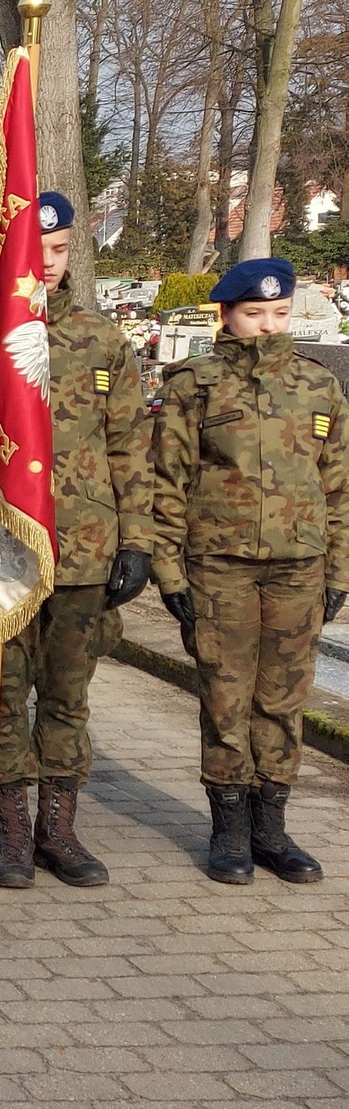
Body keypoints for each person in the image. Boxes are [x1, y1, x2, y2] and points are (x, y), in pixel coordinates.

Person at [0, 193, 153, 887]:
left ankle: (56, 828)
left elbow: (129, 446)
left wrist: (137, 542)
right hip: (2, 551)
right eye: (37, 251)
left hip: (84, 550)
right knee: (3, 694)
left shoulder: (103, 342)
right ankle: (6, 827)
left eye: (61, 249)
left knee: (68, 696)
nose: (50, 263)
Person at [149, 257, 349, 884]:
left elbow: (338, 485)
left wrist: (340, 571)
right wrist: (170, 573)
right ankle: (229, 829)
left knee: (284, 698)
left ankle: (273, 829)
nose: (268, 325)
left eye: (280, 313)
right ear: (228, 315)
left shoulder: (318, 386)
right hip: (221, 568)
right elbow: (167, 484)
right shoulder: (195, 384)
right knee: (226, 695)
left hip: (300, 566)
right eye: (254, 313)